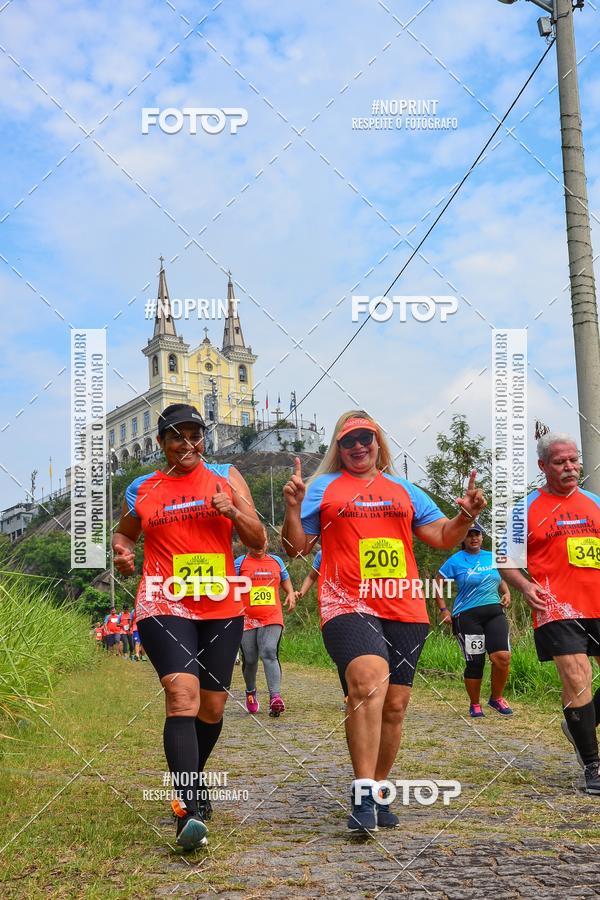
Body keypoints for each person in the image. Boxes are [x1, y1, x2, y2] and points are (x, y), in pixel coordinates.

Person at [282, 410, 487, 833]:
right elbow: (295, 548)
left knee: (394, 705)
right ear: (338, 447)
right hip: (346, 601)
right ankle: (361, 793)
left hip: (404, 605)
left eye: (366, 438)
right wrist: (293, 508)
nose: (358, 446)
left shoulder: (404, 490)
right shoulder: (322, 488)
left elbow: (442, 536)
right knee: (367, 682)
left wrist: (465, 516)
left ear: (378, 443)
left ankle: (378, 790)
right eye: (349, 440)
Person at [112, 403, 264, 849]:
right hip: (164, 600)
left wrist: (234, 512)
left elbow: (258, 540)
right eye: (176, 436)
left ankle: (192, 779)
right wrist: (123, 553)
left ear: (204, 438)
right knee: (182, 695)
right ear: (161, 443)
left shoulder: (226, 476)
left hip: (221, 603)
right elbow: (125, 533)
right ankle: (187, 810)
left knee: (211, 708)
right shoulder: (143, 487)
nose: (187, 443)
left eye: (194, 435)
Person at [501, 433, 600, 795]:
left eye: (574, 460)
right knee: (577, 676)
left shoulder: (595, 503)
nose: (570, 467)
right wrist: (525, 586)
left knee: (583, 688)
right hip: (556, 607)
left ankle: (579, 724)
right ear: (543, 466)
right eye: (560, 462)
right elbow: (506, 560)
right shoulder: (523, 510)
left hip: (597, 602)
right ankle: (593, 766)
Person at [435, 523, 512, 718]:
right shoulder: (456, 560)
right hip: (468, 617)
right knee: (475, 662)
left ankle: (496, 698)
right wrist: (443, 610)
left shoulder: (492, 557)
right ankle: (475, 704)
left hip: (494, 613)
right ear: (463, 538)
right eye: (469, 535)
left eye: (477, 534)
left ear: (482, 537)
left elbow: (501, 577)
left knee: (502, 657)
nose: (473, 538)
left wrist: (506, 592)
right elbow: (437, 583)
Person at [235, 528, 296, 717]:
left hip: (272, 616)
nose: (259, 545)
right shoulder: (239, 563)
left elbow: (285, 580)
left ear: (267, 541)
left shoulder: (276, 561)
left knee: (269, 652)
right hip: (246, 618)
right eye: (254, 541)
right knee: (250, 659)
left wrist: (290, 594)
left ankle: (275, 698)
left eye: (262, 541)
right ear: (247, 542)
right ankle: (250, 691)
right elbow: (229, 587)